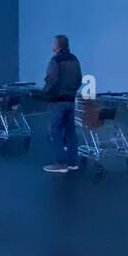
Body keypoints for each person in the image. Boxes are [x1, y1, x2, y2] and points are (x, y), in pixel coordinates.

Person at [41, 35, 83, 173]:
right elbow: (78, 79)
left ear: (58, 46)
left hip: (58, 101)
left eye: (54, 43)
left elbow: (52, 79)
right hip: (71, 100)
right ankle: (72, 162)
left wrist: (45, 93)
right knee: (70, 131)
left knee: (56, 131)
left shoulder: (55, 60)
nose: (52, 45)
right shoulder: (74, 59)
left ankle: (60, 163)